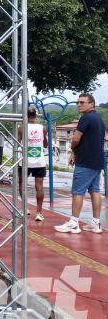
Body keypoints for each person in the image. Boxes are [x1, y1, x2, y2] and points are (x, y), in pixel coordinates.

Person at [55, 93, 104, 234]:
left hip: (85, 161)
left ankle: (73, 223)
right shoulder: (99, 119)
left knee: (77, 191)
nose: (79, 105)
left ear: (92, 104)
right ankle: (96, 223)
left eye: (82, 102)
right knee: (95, 191)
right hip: (97, 161)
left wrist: (73, 150)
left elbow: (76, 139)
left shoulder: (85, 118)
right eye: (78, 102)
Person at [17, 106, 48, 222]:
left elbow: (17, 143)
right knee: (39, 187)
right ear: (36, 116)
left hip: (25, 161)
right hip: (39, 161)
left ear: (25, 115)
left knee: (22, 184)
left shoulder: (21, 128)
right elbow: (45, 145)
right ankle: (39, 213)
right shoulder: (42, 128)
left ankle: (25, 208)